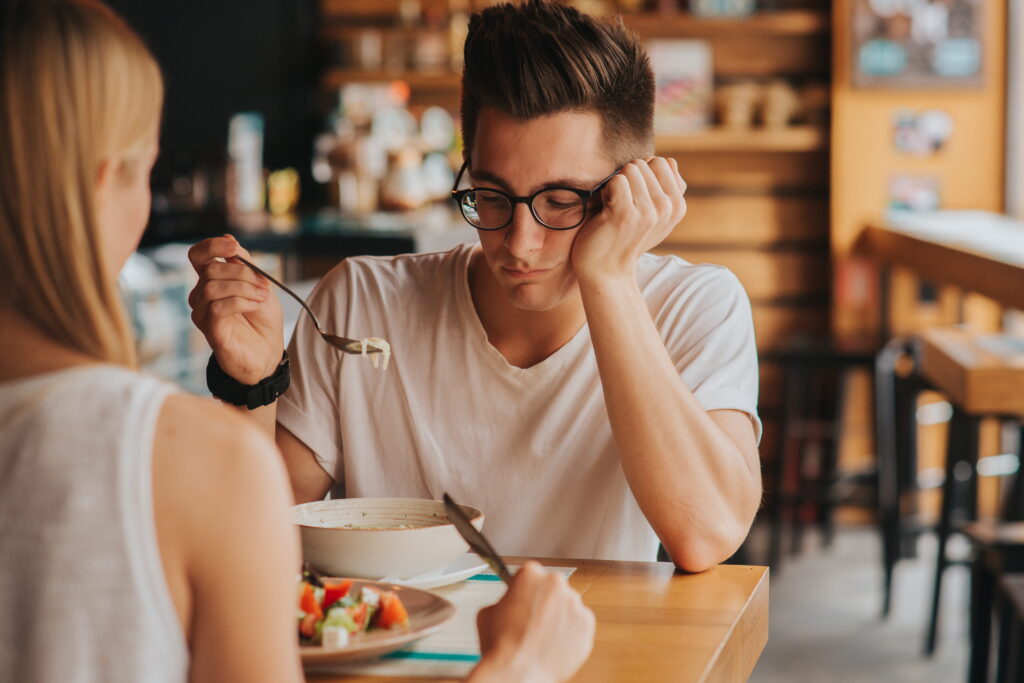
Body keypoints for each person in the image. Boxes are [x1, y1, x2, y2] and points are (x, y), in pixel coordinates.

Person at [0, 1, 594, 681]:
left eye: (561, 201)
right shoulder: (191, 461)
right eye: (147, 169)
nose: (522, 240)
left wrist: (255, 381)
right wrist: (519, 668)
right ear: (107, 184)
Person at [189, 0, 761, 572]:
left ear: (628, 193)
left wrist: (609, 278)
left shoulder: (692, 305)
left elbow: (705, 535)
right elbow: (255, 541)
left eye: (560, 201)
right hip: (398, 630)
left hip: (591, 631)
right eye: (490, 195)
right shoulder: (361, 302)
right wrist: (251, 383)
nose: (520, 243)